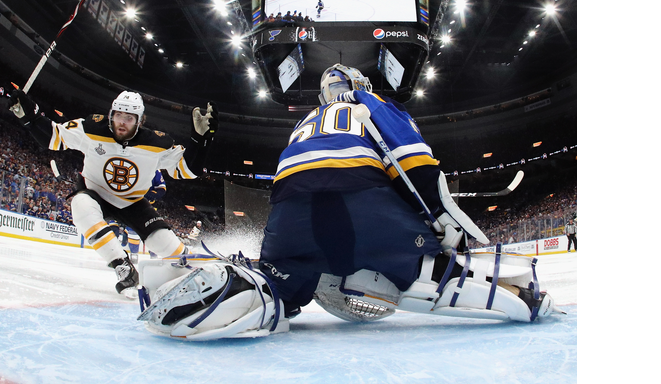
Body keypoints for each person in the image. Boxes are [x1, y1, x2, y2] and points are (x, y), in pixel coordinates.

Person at [136, 64, 562, 340]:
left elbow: (300, 171)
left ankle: (232, 289)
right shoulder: (370, 101)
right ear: (359, 85)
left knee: (280, 287)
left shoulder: (306, 120)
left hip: (288, 209)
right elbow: (411, 161)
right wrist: (437, 219)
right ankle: (525, 300)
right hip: (356, 195)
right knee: (431, 268)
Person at [8, 89, 218, 296]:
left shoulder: (157, 143)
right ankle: (122, 266)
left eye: (129, 117)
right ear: (111, 115)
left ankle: (202, 270)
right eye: (118, 115)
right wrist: (30, 118)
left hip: (133, 202)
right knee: (80, 205)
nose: (122, 122)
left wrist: (200, 141)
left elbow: (188, 170)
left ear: (140, 120)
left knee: (167, 246)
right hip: (94, 194)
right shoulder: (91, 127)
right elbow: (53, 137)